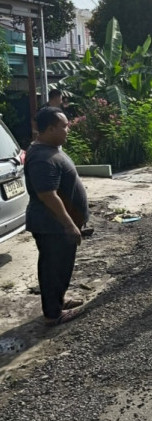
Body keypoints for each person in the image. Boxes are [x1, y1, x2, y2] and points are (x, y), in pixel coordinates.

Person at [24, 107, 89, 326]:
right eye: (64, 126)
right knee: (53, 269)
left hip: (57, 225)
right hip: (52, 226)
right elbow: (47, 196)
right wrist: (70, 225)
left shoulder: (49, 148)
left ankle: (58, 301)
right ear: (50, 129)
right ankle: (53, 314)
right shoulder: (42, 158)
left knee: (61, 266)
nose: (67, 129)